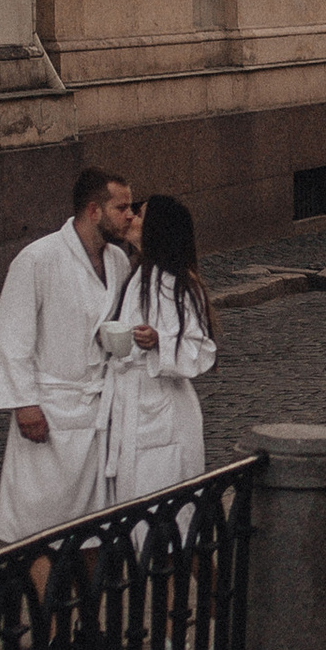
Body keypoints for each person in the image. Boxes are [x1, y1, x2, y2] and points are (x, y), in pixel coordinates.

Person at [0, 167, 135, 544]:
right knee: (37, 522)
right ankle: (47, 601)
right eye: (121, 208)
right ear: (93, 210)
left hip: (95, 411)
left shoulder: (118, 262)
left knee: (91, 527)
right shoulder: (37, 259)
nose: (130, 216)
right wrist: (24, 403)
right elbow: (11, 336)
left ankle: (81, 603)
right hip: (49, 410)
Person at [101, 194, 218, 510]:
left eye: (138, 214)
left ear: (157, 228)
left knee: (168, 520)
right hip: (132, 407)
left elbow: (201, 349)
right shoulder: (137, 274)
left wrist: (160, 343)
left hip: (162, 413)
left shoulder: (176, 284)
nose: (131, 218)